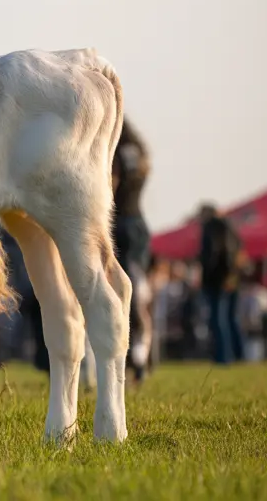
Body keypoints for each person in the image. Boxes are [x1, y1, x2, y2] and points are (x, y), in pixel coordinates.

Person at [111, 120, 153, 383]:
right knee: (139, 289)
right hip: (139, 222)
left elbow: (111, 187)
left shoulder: (115, 151)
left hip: (120, 222)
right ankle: (143, 353)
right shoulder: (140, 153)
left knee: (122, 290)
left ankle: (129, 353)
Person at [197, 203, 246, 365]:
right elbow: (238, 255)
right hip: (231, 279)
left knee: (219, 319)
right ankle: (239, 354)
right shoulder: (232, 229)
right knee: (231, 319)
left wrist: (212, 275)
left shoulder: (213, 228)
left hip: (218, 279)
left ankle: (223, 356)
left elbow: (214, 253)